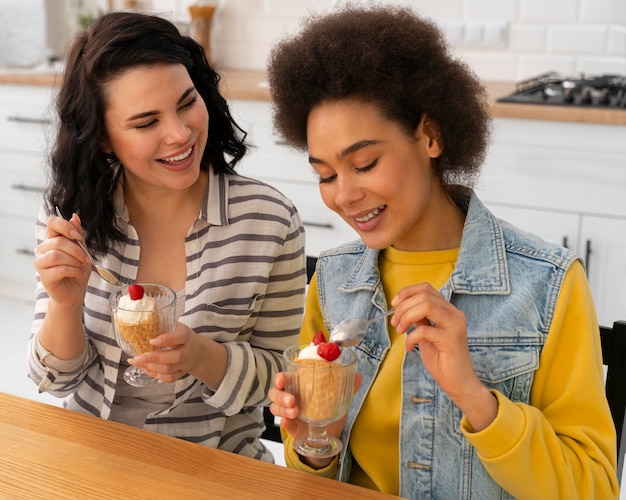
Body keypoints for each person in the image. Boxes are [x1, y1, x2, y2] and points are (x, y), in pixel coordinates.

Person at [266, 5, 619, 498]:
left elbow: (593, 487)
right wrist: (311, 445)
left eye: (364, 163)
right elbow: (312, 476)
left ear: (430, 136)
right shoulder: (332, 279)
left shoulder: (548, 285)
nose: (342, 195)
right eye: (325, 175)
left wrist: (475, 398)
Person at [28, 11, 306, 463]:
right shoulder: (72, 216)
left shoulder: (270, 221)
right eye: (145, 123)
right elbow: (55, 380)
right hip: (92, 459)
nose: (179, 134)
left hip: (217, 467)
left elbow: (282, 378)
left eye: (186, 102)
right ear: (102, 139)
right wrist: (65, 304)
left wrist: (200, 356)